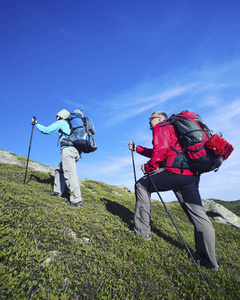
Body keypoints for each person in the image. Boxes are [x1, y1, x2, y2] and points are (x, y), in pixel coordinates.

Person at [128, 111, 219, 270]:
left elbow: (161, 150)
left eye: (151, 119)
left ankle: (143, 232)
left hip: (173, 172)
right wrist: (138, 148)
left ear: (159, 119)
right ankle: (210, 263)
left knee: (141, 185)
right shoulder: (176, 130)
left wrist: (149, 167)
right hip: (190, 176)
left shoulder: (162, 127)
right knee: (198, 215)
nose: (149, 122)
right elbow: (164, 150)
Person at [32, 109, 97, 207]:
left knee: (69, 174)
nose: (56, 118)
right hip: (75, 152)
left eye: (57, 116)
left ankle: (76, 201)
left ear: (60, 116)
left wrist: (36, 124)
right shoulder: (71, 125)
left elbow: (46, 130)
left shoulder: (62, 122)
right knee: (59, 169)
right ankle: (57, 192)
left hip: (68, 151)